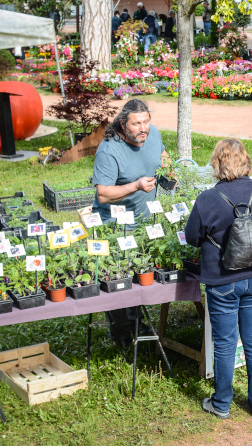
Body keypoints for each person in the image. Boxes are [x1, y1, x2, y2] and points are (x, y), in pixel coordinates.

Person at [185, 139, 252, 421]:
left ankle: (222, 403)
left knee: (225, 342)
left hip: (221, 279)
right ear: (246, 161)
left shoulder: (207, 199)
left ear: (216, 164)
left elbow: (193, 238)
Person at [93, 99, 169, 346]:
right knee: (119, 280)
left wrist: (169, 172)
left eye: (146, 122)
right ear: (123, 125)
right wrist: (135, 185)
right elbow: (103, 193)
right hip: (115, 226)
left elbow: (163, 156)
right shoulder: (109, 150)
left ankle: (136, 322)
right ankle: (122, 333)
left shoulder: (152, 134)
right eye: (137, 124)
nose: (143, 128)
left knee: (140, 274)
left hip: (146, 220)